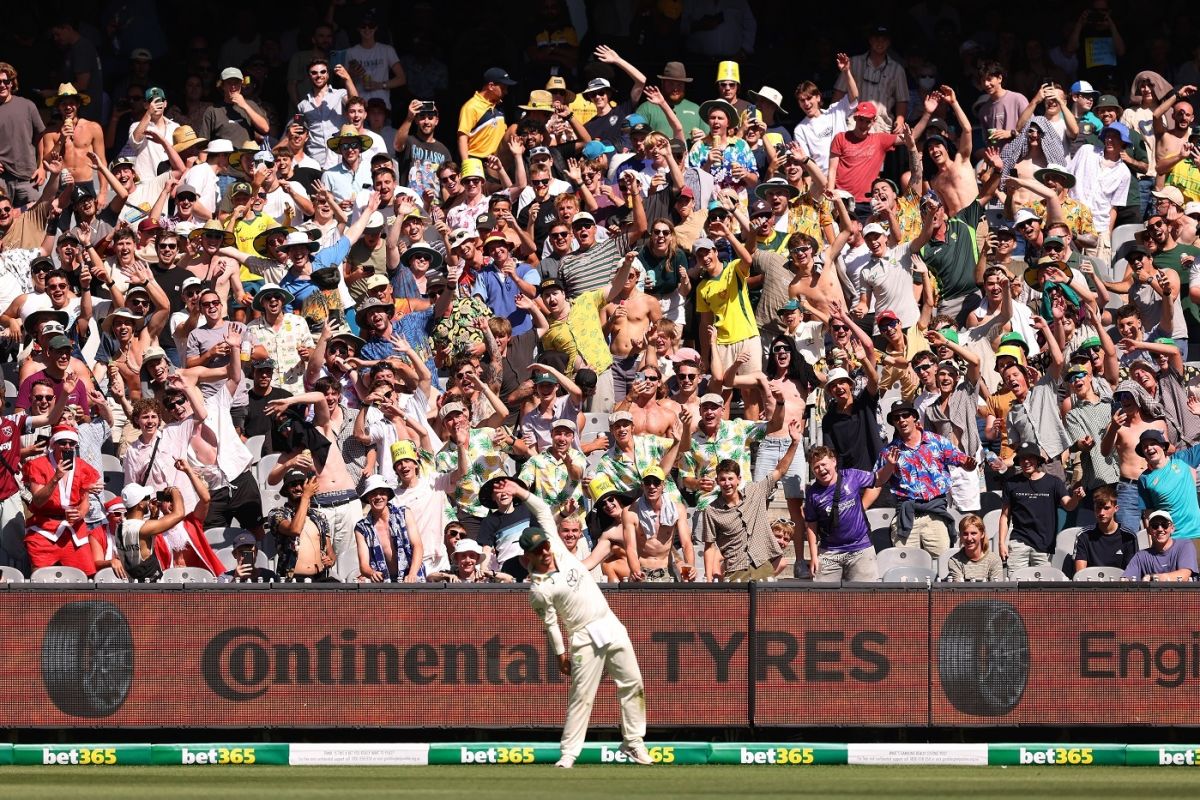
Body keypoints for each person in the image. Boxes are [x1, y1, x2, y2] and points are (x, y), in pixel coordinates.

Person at [516, 479, 652, 769]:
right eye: (538, 550)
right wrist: (560, 655)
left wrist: (520, 492)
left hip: (610, 623)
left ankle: (633, 743)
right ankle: (568, 754)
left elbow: (541, 509)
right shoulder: (539, 590)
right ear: (528, 557)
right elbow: (551, 624)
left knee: (633, 684)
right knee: (582, 697)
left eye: (545, 546)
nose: (546, 552)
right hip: (583, 637)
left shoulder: (562, 553)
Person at [701, 419, 803, 582]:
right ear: (717, 481)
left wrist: (794, 443)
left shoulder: (755, 491)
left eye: (730, 479)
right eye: (722, 479)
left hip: (762, 567)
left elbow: (780, 470)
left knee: (766, 607)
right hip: (735, 571)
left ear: (738, 479)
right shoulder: (711, 510)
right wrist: (708, 579)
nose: (727, 483)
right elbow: (709, 546)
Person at [875, 402, 975, 558]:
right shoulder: (889, 451)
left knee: (943, 563)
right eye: (896, 417)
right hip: (906, 515)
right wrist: (889, 466)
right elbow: (877, 481)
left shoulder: (937, 441)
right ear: (893, 423)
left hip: (934, 513)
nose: (901, 420)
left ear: (914, 417)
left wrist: (969, 464)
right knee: (906, 567)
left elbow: (963, 461)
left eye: (905, 415)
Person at [801, 446, 881, 582]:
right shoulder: (812, 493)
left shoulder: (851, 476)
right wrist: (814, 556)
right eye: (816, 467)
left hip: (860, 548)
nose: (821, 469)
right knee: (822, 599)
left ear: (834, 461)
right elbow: (811, 526)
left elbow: (878, 480)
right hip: (829, 552)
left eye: (823, 464)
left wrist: (890, 465)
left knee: (865, 598)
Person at [998, 443, 1083, 568]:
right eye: (1022, 458)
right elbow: (1005, 516)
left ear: (1038, 460)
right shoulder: (1011, 483)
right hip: (1018, 543)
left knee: (1042, 586)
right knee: (1015, 583)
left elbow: (1068, 505)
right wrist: (1001, 543)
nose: (1026, 461)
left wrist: (1076, 498)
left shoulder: (1053, 482)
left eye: (1030, 457)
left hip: (1044, 545)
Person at [623, 464, 694, 582]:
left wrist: (690, 566)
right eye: (647, 482)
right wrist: (636, 571)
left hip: (666, 570)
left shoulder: (677, 509)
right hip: (642, 570)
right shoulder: (630, 512)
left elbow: (686, 543)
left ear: (663, 485)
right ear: (642, 485)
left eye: (656, 482)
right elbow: (630, 548)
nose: (652, 486)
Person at [354, 474, 424, 583]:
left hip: (411, 579)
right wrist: (372, 573)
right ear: (367, 497)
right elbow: (364, 566)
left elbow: (418, 546)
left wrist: (412, 574)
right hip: (383, 585)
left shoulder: (405, 513)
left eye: (382, 493)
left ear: (387, 495)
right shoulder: (361, 528)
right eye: (373, 493)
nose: (378, 497)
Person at [1073, 485, 1140, 572]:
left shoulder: (1128, 537)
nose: (1101, 513)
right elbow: (1080, 575)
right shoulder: (1083, 535)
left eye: (1106, 508)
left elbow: (1131, 573)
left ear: (1116, 509)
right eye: (1098, 508)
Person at [1122, 510, 1197, 582]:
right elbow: (1125, 580)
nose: (1160, 529)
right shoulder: (1141, 556)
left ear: (1172, 529)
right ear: (1148, 531)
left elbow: (1183, 576)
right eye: (1155, 526)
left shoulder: (1185, 545)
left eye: (1165, 525)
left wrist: (1153, 577)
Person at [945, 514, 1004, 582]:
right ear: (960, 536)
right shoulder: (955, 561)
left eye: (973, 533)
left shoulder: (994, 560)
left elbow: (997, 589)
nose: (969, 538)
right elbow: (959, 589)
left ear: (982, 534)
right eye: (965, 534)